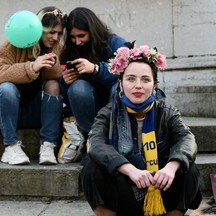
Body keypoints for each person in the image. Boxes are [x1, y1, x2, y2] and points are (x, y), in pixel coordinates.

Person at [81, 41, 202, 216]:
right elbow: (95, 144)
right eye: (131, 79)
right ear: (120, 84)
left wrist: (170, 167)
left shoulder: (167, 113)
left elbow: (187, 140)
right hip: (125, 189)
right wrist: (130, 169)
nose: (138, 85)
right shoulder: (108, 113)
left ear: (154, 86)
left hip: (160, 187)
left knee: (188, 167)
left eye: (145, 80)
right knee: (91, 165)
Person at [0, 6, 67, 165]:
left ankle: (48, 146)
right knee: (6, 88)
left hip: (36, 113)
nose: (55, 37)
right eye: (51, 32)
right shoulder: (12, 44)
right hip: (8, 114)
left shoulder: (56, 48)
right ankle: (11, 147)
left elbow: (56, 81)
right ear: (39, 29)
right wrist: (31, 67)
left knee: (53, 85)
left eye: (59, 33)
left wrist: (52, 63)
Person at [59, 7, 126, 140]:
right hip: (88, 107)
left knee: (118, 88)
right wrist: (64, 82)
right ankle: (92, 138)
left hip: (115, 103)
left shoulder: (115, 43)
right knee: (77, 88)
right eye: (72, 37)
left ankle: (117, 135)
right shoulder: (69, 51)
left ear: (92, 30)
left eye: (81, 36)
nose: (77, 42)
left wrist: (96, 69)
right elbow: (67, 96)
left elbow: (128, 73)